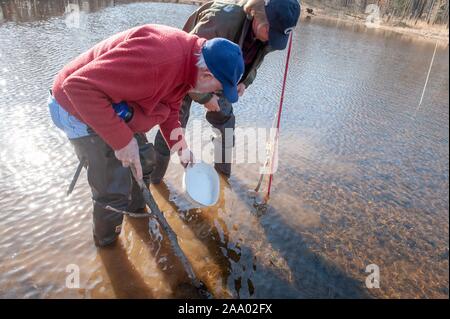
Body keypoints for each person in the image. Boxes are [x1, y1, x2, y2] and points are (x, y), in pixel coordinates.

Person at [48, 24, 244, 247]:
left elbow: (170, 109)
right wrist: (122, 141)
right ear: (207, 74)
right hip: (74, 107)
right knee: (113, 192)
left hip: (112, 103)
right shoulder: (158, 60)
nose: (216, 95)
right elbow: (76, 87)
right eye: (218, 89)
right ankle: (108, 246)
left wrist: (182, 148)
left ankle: (137, 212)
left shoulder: (190, 64)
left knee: (145, 158)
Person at [151, 0, 301, 181]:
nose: (271, 39)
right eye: (270, 32)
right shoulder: (222, 19)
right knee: (174, 120)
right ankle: (154, 180)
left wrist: (245, 81)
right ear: (258, 13)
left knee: (226, 125)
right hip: (188, 70)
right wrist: (205, 98)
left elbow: (256, 60)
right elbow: (186, 61)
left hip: (224, 76)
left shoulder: (270, 35)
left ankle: (222, 178)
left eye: (277, 36)